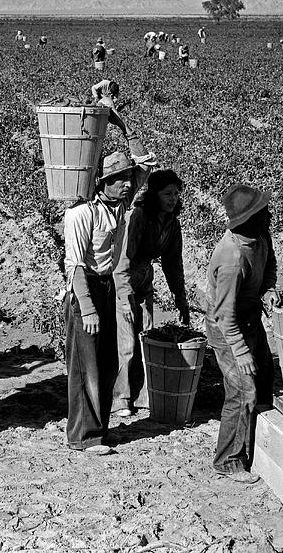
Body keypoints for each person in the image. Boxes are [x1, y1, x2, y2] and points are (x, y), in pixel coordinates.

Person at [63, 119, 156, 455]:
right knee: (85, 364)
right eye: (119, 179)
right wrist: (86, 307)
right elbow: (74, 265)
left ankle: (99, 429)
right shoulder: (80, 214)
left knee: (105, 360)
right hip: (84, 290)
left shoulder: (120, 206)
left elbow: (147, 166)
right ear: (103, 183)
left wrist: (117, 118)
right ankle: (83, 436)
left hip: (106, 287)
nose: (128, 184)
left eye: (128, 178)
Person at [205, 185, 280, 483]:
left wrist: (269, 288)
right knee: (241, 390)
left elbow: (270, 262)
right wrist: (240, 351)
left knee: (263, 381)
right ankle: (227, 460)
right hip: (227, 328)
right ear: (248, 219)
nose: (269, 216)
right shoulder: (232, 257)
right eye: (264, 212)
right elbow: (224, 315)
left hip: (248, 318)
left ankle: (259, 449)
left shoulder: (261, 236)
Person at [112, 170, 190, 417]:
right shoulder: (138, 217)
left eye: (176, 194)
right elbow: (123, 259)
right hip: (124, 278)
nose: (173, 199)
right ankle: (120, 398)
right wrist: (124, 296)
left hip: (144, 279)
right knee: (125, 342)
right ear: (154, 194)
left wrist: (180, 297)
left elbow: (173, 263)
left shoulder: (171, 223)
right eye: (167, 193)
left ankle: (143, 395)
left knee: (145, 336)